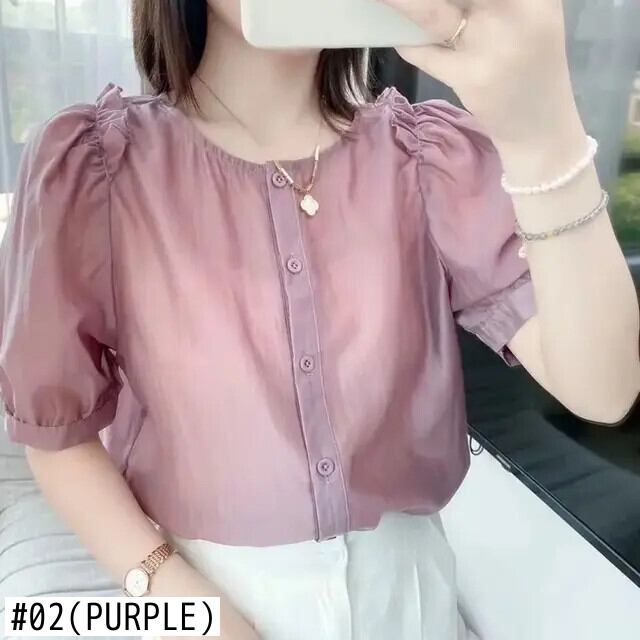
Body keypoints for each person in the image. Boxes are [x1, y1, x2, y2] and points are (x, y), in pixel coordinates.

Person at [1, 1, 638, 638]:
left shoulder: (428, 158)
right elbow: (57, 437)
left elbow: (603, 390)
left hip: (411, 605)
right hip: (203, 591)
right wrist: (187, 606)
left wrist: (543, 133)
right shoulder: (97, 169)